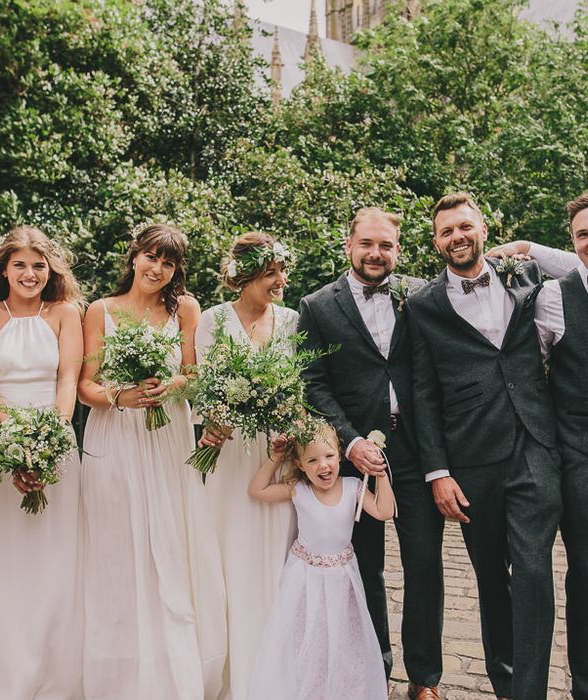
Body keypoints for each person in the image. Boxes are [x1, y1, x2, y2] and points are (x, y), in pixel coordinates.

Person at [408, 192, 575, 700]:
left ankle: (529, 693)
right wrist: (438, 472)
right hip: (471, 458)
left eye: (465, 226)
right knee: (490, 579)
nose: (457, 237)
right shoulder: (422, 305)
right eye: (446, 232)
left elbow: (580, 268)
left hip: (534, 446)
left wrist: (527, 245)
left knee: (532, 570)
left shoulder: (526, 276)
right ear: (436, 242)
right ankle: (505, 685)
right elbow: (422, 393)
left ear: (483, 227)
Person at [298, 207, 444, 699]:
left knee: (424, 566)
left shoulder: (419, 295)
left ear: (397, 249)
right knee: (365, 569)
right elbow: (312, 382)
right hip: (353, 458)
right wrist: (351, 442)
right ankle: (373, 673)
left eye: (386, 245)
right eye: (367, 244)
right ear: (349, 246)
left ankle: (424, 680)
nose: (376, 253)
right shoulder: (317, 305)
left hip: (417, 452)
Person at [78, 223, 227, 700]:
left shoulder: (185, 309)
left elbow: (193, 374)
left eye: (168, 262)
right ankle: (118, 667)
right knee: (117, 540)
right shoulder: (101, 309)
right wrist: (120, 397)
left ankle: (171, 663)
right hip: (115, 436)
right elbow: (86, 386)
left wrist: (172, 387)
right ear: (134, 255)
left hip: (167, 438)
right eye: (151, 257)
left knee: (169, 537)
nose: (157, 269)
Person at [0, 226, 85, 699]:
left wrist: (49, 439)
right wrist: (13, 440)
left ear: (52, 271)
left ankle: (54, 681)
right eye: (21, 265)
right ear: (3, 269)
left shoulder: (67, 312)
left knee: (54, 561)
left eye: (39, 265)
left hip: (54, 440)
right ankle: (0, 680)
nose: (30, 274)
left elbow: (68, 379)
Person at [194, 232, 298, 700]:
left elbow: (301, 387)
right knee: (227, 551)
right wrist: (213, 419)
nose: (280, 280)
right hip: (229, 452)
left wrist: (292, 429)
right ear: (246, 275)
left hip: (276, 453)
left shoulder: (293, 321)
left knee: (274, 553)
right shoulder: (214, 320)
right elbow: (201, 384)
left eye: (282, 271)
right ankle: (229, 668)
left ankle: (271, 670)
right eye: (270, 272)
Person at [487, 207, 585, 700]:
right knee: (547, 572)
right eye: (582, 234)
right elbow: (531, 368)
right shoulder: (554, 296)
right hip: (562, 452)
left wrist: (528, 248)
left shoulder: (562, 266)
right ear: (572, 239)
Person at [246, 424, 393, 700]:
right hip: (304, 578)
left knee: (340, 637)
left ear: (340, 456)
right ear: (300, 464)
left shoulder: (353, 487)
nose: (323, 466)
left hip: (342, 579)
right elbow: (257, 490)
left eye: (328, 457)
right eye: (312, 460)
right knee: (306, 636)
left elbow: (384, 511)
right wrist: (276, 458)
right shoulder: (297, 489)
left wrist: (380, 475)